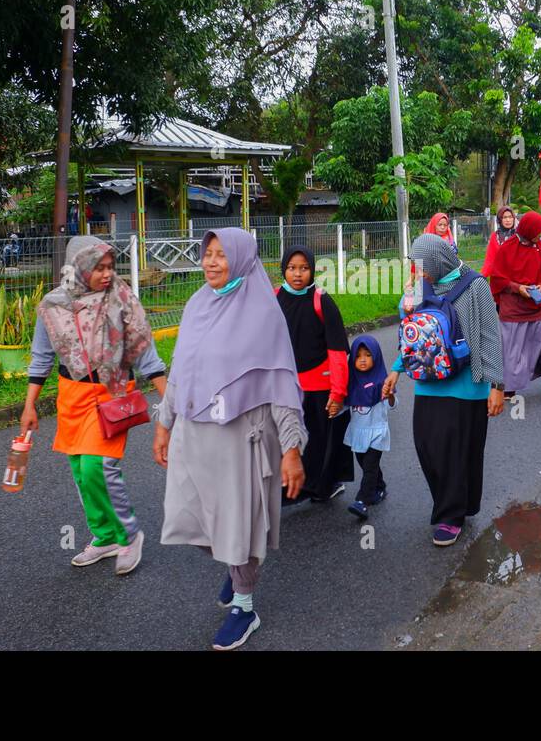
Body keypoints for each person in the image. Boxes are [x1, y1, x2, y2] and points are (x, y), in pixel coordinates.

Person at [154, 228, 308, 651]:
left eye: (221, 255)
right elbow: (180, 368)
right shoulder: (197, 303)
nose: (211, 262)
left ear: (239, 259)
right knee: (197, 516)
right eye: (207, 254)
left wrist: (292, 450)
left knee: (240, 521)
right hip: (196, 434)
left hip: (245, 437)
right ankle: (236, 563)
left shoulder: (263, 314)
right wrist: (164, 424)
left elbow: (281, 386)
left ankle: (245, 605)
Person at [21, 235, 167, 577]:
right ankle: (105, 536)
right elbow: (41, 357)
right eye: (98, 267)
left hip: (112, 393)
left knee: (97, 468)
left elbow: (144, 350)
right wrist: (29, 406)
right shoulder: (54, 304)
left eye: (109, 266)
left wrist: (167, 395)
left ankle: (129, 534)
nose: (106, 274)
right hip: (72, 395)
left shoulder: (120, 300)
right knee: (80, 471)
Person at [383, 234, 505, 547]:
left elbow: (491, 335)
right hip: (429, 382)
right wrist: (396, 370)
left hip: (468, 386)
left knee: (458, 452)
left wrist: (497, 385)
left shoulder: (475, 285)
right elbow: (413, 338)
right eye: (415, 265)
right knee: (428, 447)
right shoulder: (420, 288)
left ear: (440, 260)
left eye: (423, 265)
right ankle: (451, 503)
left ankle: (451, 515)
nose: (419, 271)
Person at [276, 245, 352, 503]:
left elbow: (338, 349)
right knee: (287, 436)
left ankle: (325, 484)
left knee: (320, 439)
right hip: (286, 384)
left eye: (304, 268)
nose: (297, 274)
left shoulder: (322, 300)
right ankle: (290, 485)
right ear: (283, 269)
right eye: (292, 268)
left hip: (319, 385)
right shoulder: (274, 299)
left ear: (312, 270)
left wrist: (338, 391)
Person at [488, 211, 541, 396]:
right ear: (528, 229)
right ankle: (509, 384)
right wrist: (517, 287)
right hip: (513, 306)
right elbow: (497, 278)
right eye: (539, 231)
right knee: (512, 347)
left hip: (536, 305)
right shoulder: (507, 248)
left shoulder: (540, 247)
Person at [344, 335, 394, 520]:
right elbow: (344, 404)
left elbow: (392, 405)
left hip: (377, 433)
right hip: (358, 432)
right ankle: (379, 487)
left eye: (367, 355)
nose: (363, 359)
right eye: (358, 356)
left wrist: (389, 396)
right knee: (365, 464)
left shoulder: (382, 380)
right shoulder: (352, 382)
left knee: (370, 467)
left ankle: (362, 502)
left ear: (376, 356)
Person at [482, 206, 518, 277]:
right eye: (504, 217)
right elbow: (490, 260)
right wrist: (481, 277)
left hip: (519, 276)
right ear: (499, 220)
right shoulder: (495, 237)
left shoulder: (520, 235)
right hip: (501, 276)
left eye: (510, 217)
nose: (508, 220)